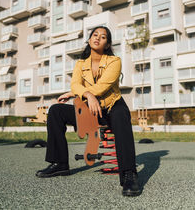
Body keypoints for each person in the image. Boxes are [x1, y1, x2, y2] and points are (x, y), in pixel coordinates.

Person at [36, 26, 140, 197]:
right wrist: (83, 94)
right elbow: (75, 84)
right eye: (95, 35)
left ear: (107, 44)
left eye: (103, 36)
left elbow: (104, 85)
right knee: (56, 110)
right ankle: (60, 164)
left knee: (121, 115)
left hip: (112, 106)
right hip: (89, 109)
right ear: (90, 39)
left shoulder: (115, 61)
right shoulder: (80, 64)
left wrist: (86, 93)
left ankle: (129, 174)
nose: (98, 37)